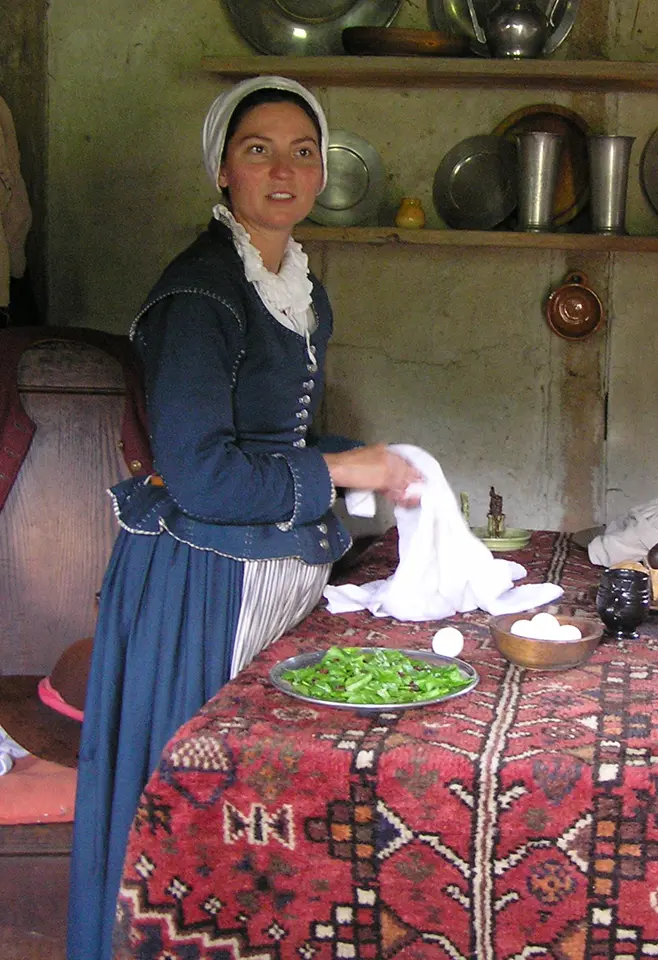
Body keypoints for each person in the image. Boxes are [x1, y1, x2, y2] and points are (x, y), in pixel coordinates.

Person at [67, 75, 422, 960]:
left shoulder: (294, 284)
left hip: (266, 573)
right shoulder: (202, 294)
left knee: (251, 817)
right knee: (189, 812)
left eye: (304, 152)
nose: (284, 171)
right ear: (223, 170)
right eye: (259, 150)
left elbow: (274, 439)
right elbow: (203, 477)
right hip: (202, 588)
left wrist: (373, 460)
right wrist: (341, 470)